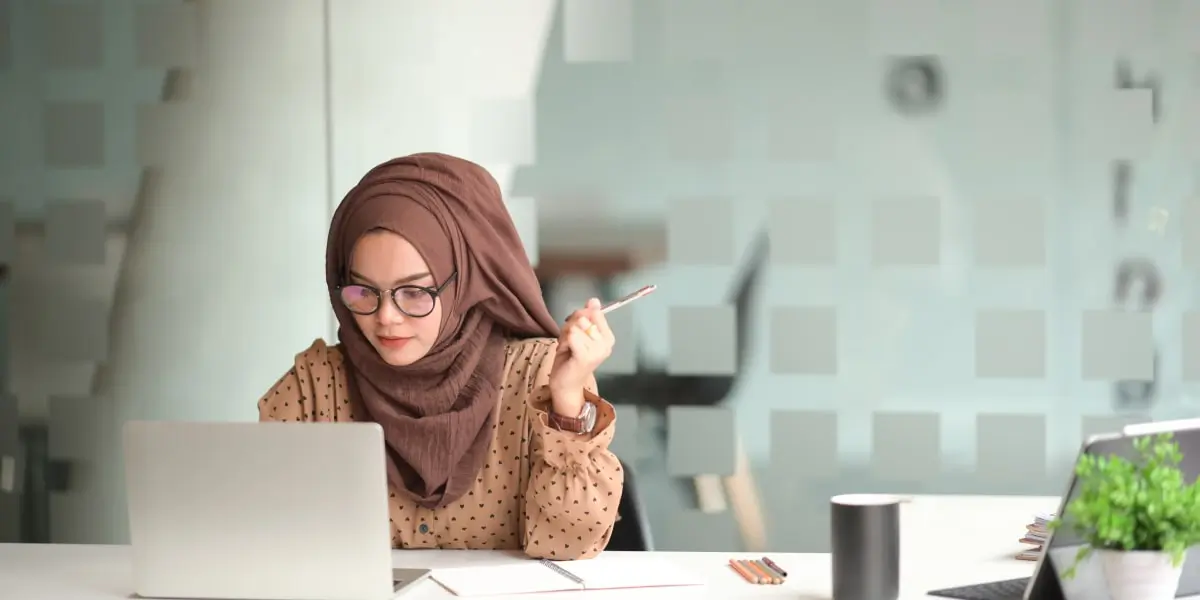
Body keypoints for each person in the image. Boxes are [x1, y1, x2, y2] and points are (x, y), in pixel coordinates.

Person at [258, 153, 624, 560]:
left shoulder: (540, 376)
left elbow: (568, 544)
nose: (386, 318)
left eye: (414, 292)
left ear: (465, 283)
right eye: (363, 292)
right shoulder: (315, 388)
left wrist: (567, 404)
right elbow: (264, 545)